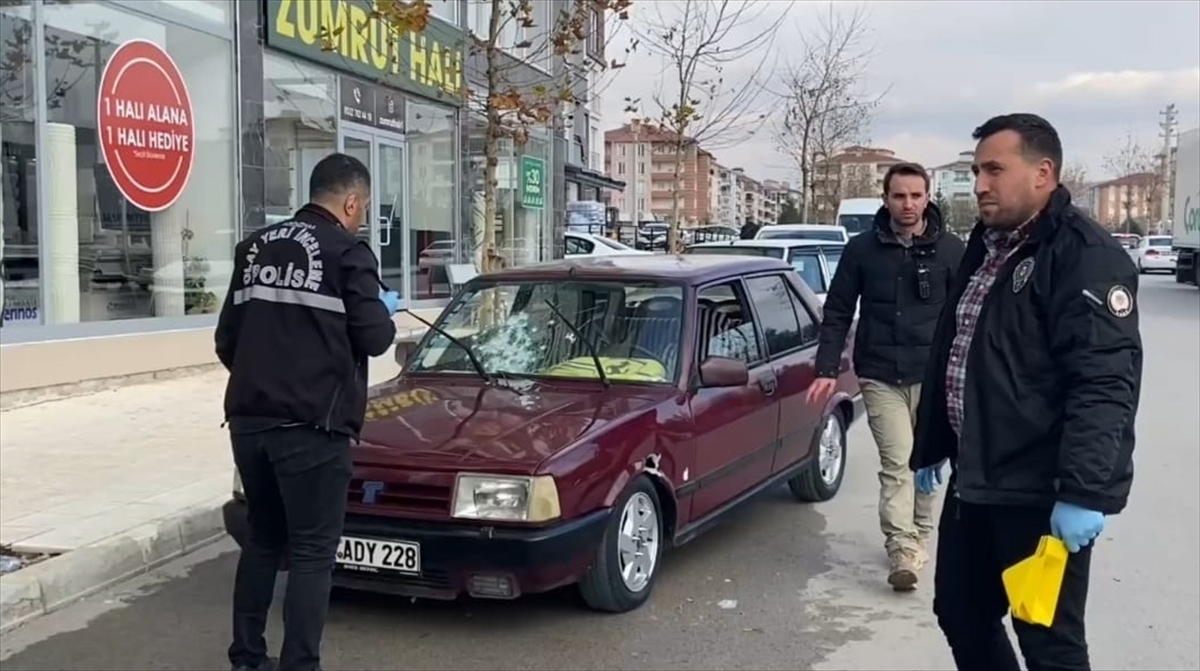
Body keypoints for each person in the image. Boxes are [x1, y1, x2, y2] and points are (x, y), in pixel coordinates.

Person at [911, 113, 1142, 671]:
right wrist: (932, 443)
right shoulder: (988, 246)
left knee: (1047, 641)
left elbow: (1105, 381)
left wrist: (1084, 492)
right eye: (975, 170)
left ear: (1043, 173)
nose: (981, 183)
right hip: (977, 479)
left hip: (1039, 491)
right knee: (961, 614)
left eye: (994, 169)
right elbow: (964, 349)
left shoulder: (1084, 254)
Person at [215, 153, 399, 671]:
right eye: (360, 209)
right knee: (314, 552)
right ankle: (300, 664)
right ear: (351, 201)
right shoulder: (348, 253)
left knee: (264, 539)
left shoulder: (252, 249)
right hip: (313, 427)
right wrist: (382, 307)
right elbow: (375, 338)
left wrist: (263, 379)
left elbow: (226, 340)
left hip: (249, 421)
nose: (359, 217)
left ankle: (248, 657)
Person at [807, 162, 965, 591]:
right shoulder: (861, 250)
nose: (908, 204)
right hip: (880, 375)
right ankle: (901, 548)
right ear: (886, 199)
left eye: (916, 195)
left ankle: (919, 534)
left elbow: (968, 318)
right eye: (899, 196)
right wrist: (825, 368)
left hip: (934, 378)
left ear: (928, 197)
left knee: (928, 461)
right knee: (898, 462)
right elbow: (837, 311)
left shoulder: (952, 251)